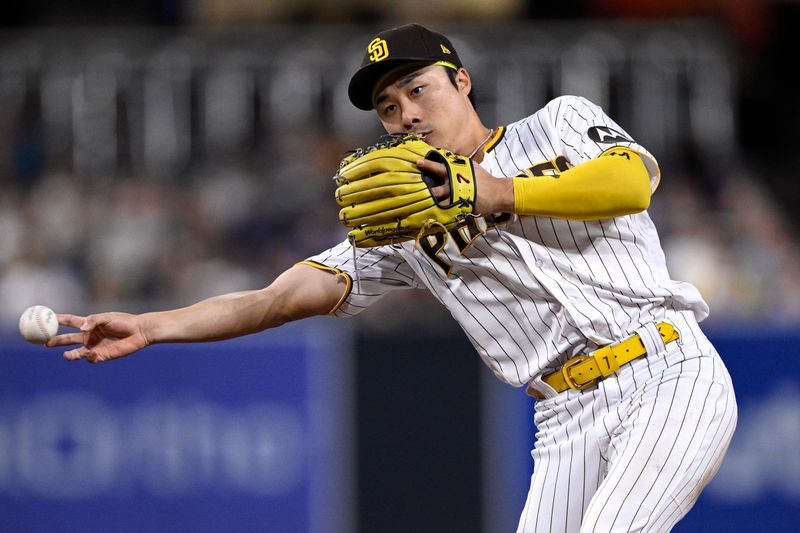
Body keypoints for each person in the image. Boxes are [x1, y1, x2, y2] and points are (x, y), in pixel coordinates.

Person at [48, 23, 737, 532]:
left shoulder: (557, 122)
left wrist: (497, 192)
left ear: (461, 81)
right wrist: (152, 324)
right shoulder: (401, 222)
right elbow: (280, 297)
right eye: (387, 106)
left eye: (418, 88)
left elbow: (632, 180)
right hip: (563, 416)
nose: (406, 111)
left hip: (665, 372)